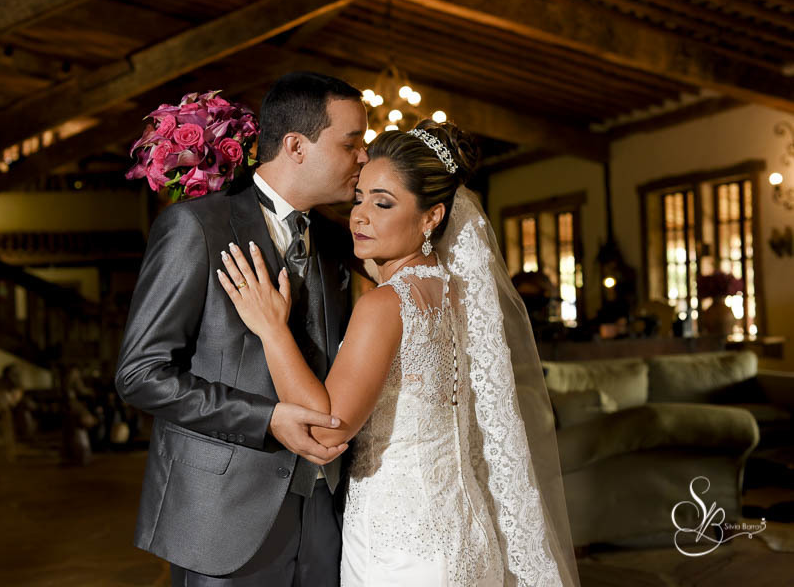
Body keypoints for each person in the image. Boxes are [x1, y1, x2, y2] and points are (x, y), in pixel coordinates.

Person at [217, 119, 582, 586]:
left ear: (432, 217)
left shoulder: (385, 305)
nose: (359, 216)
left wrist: (272, 330)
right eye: (358, 198)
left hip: (400, 546)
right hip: (466, 532)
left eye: (383, 202)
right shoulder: (460, 294)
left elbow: (327, 431)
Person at [114, 71, 368, 586]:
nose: (363, 158)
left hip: (327, 515)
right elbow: (140, 374)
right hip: (222, 516)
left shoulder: (340, 240)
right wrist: (266, 418)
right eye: (351, 143)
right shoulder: (196, 228)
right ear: (296, 146)